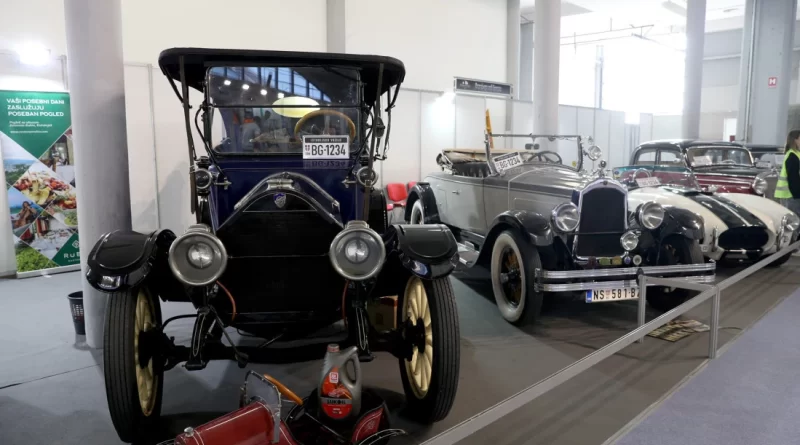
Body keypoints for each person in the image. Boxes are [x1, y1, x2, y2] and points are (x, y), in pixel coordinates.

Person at [775, 129, 800, 214]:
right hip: (791, 196)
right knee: (794, 220)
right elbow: (793, 178)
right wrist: (797, 195)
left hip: (793, 195)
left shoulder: (797, 154)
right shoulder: (792, 156)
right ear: (795, 140)